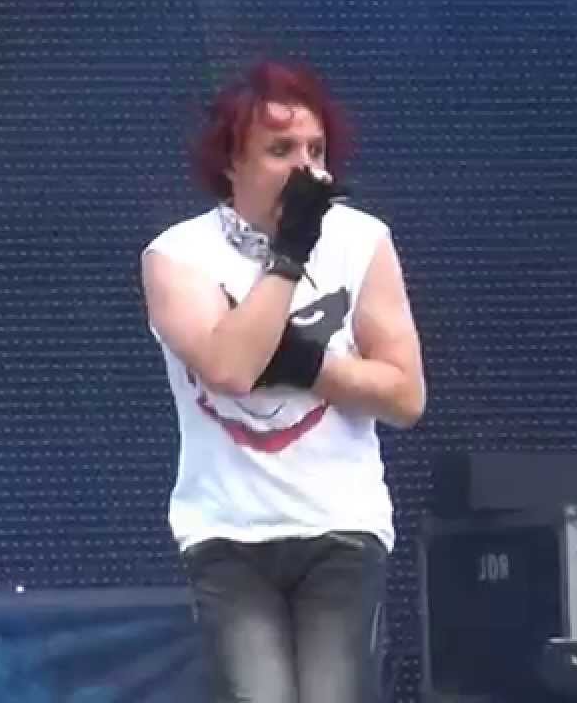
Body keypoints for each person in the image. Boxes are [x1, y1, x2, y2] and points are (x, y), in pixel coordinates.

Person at [139, 60, 425, 703]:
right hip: (228, 533)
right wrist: (290, 253)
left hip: (340, 524)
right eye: (281, 150)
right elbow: (230, 369)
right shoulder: (177, 256)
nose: (306, 168)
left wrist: (304, 364)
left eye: (315, 151)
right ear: (230, 163)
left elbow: (406, 396)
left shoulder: (362, 241)